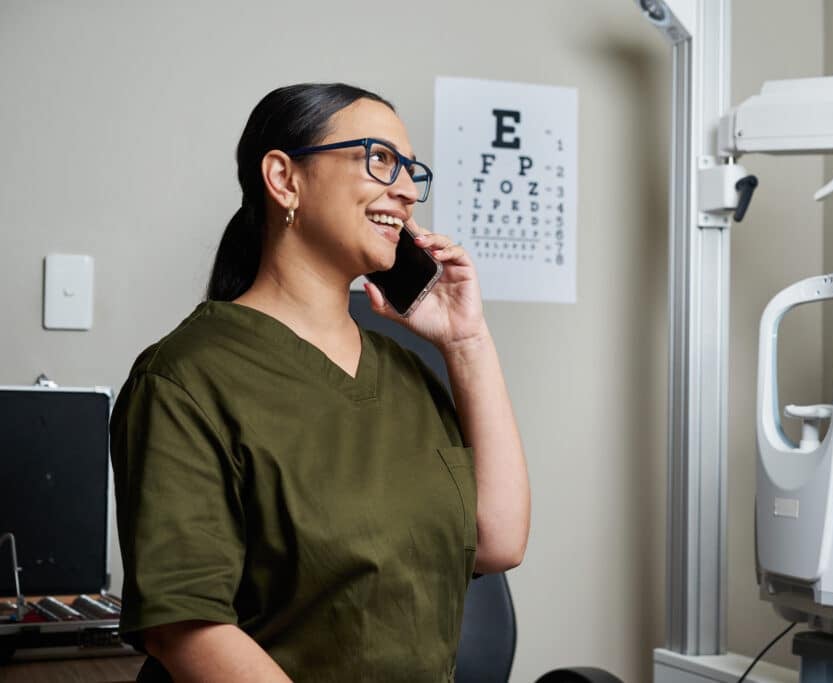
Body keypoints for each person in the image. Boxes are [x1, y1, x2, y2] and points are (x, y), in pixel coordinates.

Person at [109, 83, 530, 682]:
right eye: (380, 159)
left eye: (411, 170)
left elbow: (499, 541)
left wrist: (468, 341)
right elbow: (188, 630)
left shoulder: (409, 374)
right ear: (284, 178)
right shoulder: (184, 378)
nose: (408, 190)